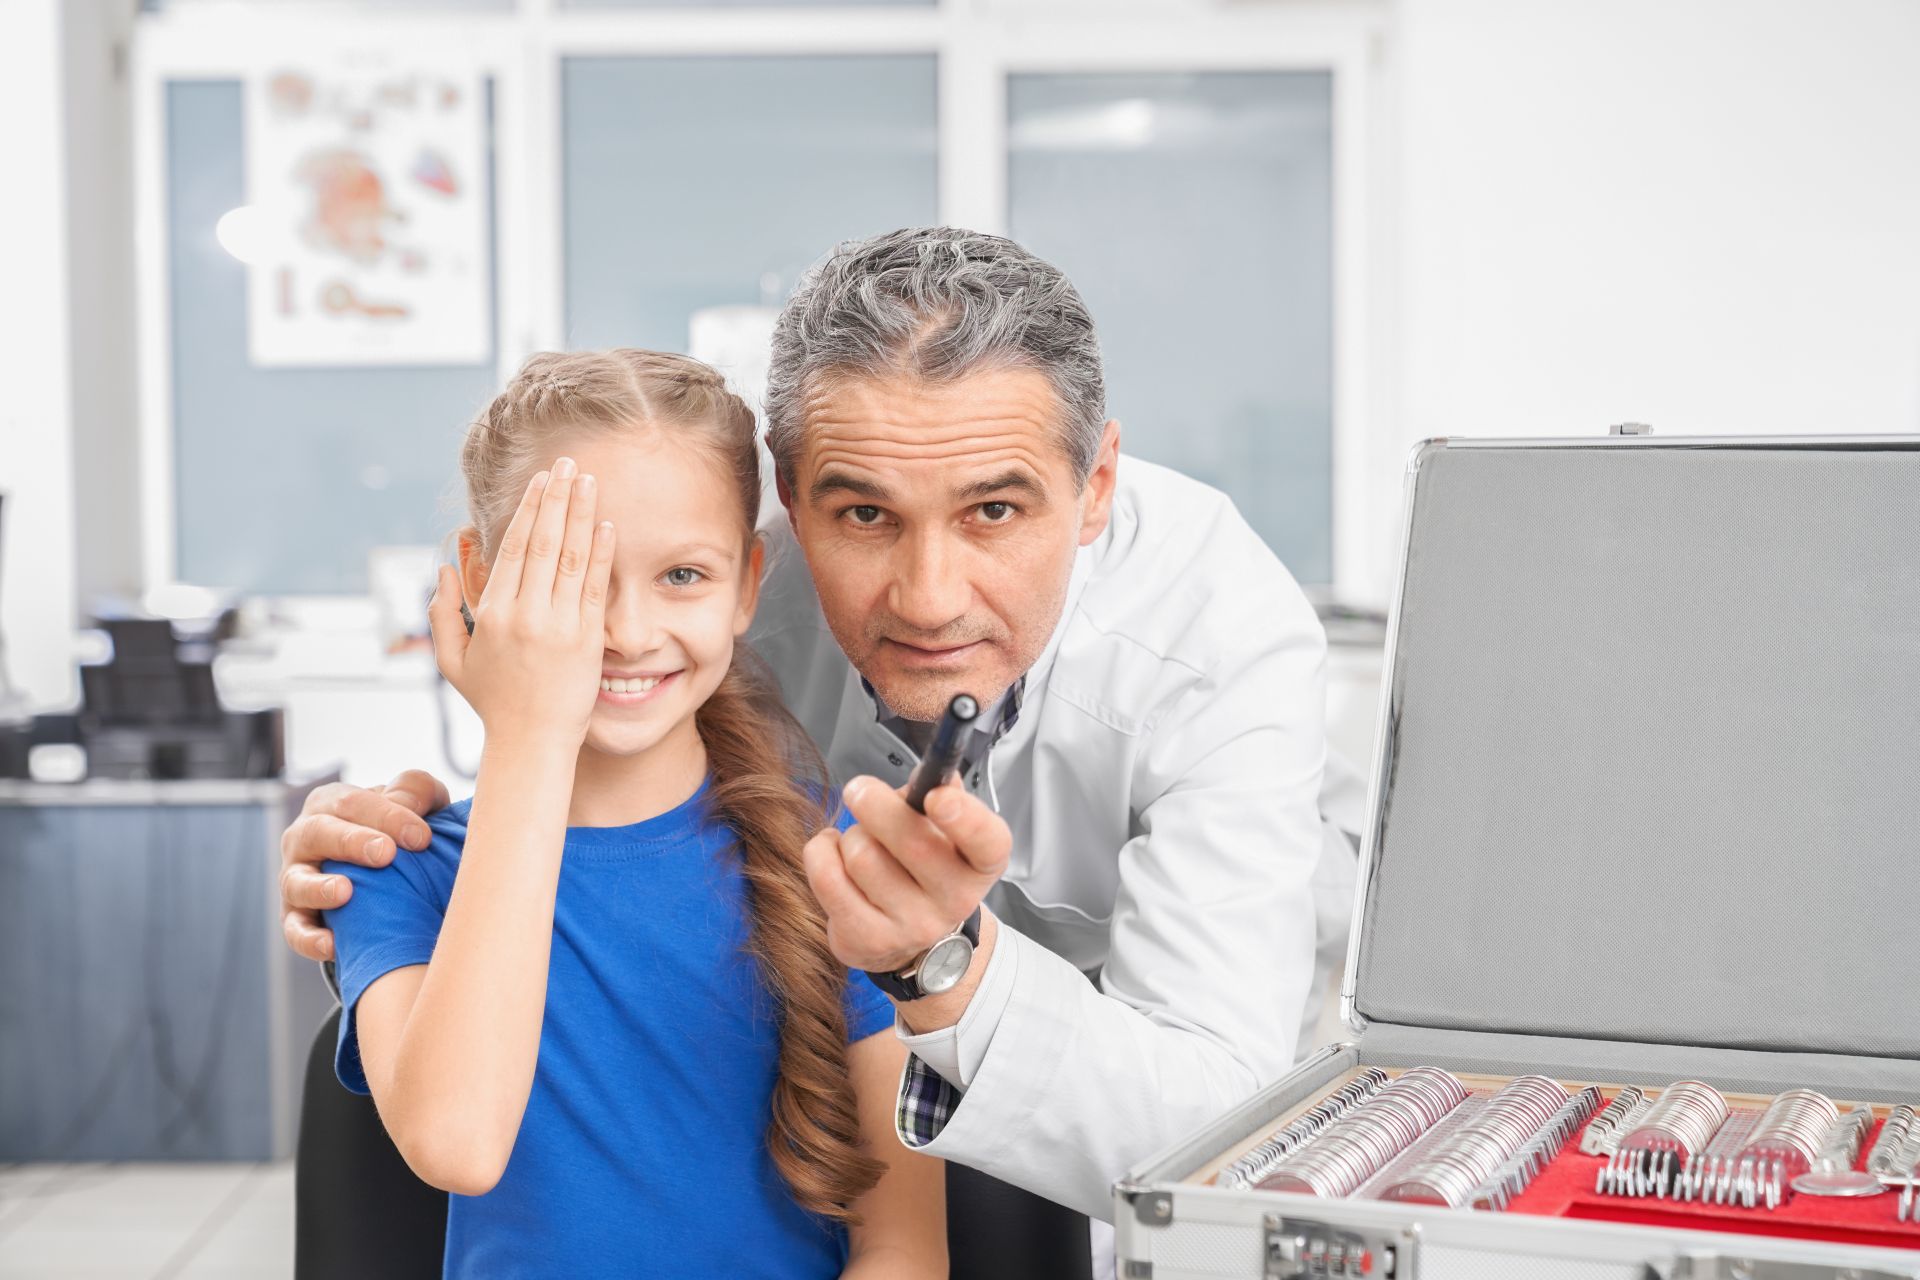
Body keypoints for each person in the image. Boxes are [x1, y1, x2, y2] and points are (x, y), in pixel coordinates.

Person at [283, 228, 1362, 1275]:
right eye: (863, 514)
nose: (929, 598)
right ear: (791, 508)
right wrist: (407, 860)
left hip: (1115, 1101)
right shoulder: (716, 586)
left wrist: (936, 965)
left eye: (994, 508)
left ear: (1097, 486)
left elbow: (1212, 1143)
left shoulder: (1216, 642)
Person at [318, 349, 946, 1278]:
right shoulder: (395, 865)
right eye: (573, 578)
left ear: (746, 585)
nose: (626, 630)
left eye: (683, 576)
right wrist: (529, 732)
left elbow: (903, 1248)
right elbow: (457, 1142)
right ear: (481, 579)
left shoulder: (845, 866)